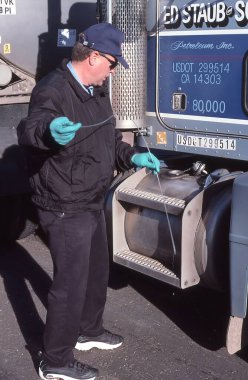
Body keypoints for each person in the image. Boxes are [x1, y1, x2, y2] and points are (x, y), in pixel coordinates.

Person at [17, 22, 160, 380]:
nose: (114, 71)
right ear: (94, 56)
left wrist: (131, 156)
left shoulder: (96, 91)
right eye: (113, 63)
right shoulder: (52, 91)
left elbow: (107, 141)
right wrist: (49, 133)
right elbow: (33, 127)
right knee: (70, 285)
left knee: (96, 273)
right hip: (64, 203)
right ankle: (55, 361)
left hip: (91, 199)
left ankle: (88, 330)